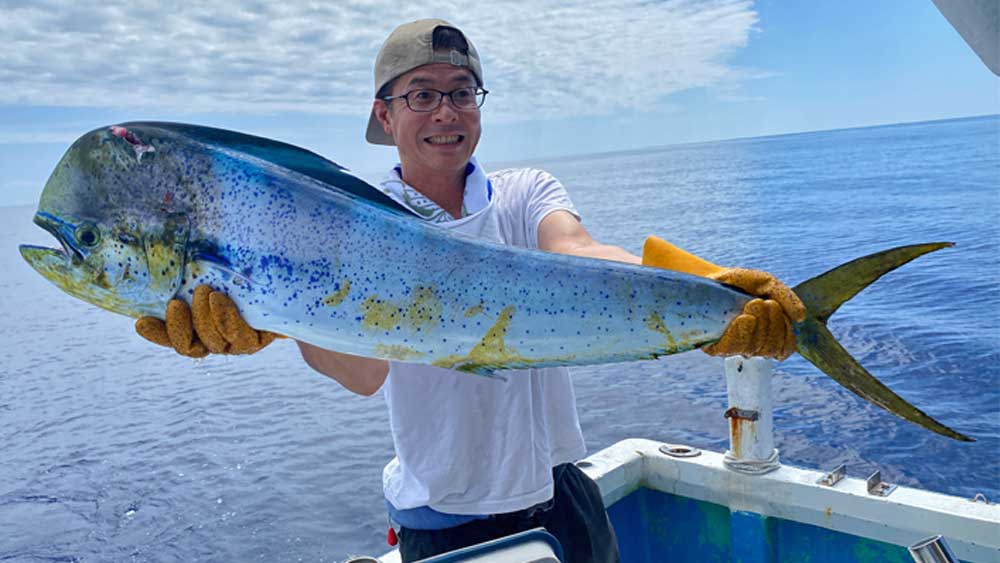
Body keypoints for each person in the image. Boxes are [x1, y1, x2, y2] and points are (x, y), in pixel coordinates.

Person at [135, 18, 805, 562]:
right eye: (421, 94)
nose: (445, 111)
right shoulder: (345, 223)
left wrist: (704, 285)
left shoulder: (524, 193)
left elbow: (576, 249)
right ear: (385, 113)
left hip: (565, 495)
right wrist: (275, 316)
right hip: (445, 521)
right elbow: (365, 371)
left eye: (461, 90)